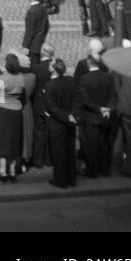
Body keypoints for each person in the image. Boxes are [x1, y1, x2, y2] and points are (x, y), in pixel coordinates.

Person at [0, 54, 27, 182]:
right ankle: (12, 169)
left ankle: (3, 170)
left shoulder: (0, 79)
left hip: (2, 112)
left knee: (2, 142)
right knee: (14, 142)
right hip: (16, 112)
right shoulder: (21, 78)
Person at [44, 59, 78, 189]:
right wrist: (72, 115)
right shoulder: (72, 82)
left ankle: (61, 179)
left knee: (59, 153)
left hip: (57, 123)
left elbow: (52, 107)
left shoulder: (50, 86)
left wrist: (66, 116)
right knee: (70, 150)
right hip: (70, 122)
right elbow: (77, 100)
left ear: (53, 70)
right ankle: (71, 178)